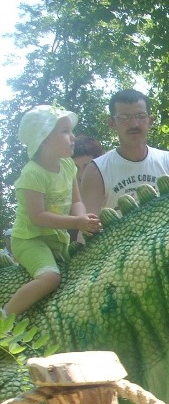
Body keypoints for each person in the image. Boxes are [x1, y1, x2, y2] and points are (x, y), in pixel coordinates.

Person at [4, 105, 101, 318]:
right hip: (30, 239)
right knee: (50, 278)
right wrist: (76, 223)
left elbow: (76, 201)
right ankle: (4, 319)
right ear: (44, 138)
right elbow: (37, 217)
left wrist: (83, 218)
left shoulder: (68, 166)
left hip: (57, 239)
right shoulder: (32, 174)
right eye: (65, 131)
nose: (73, 136)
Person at [80, 89, 169, 214]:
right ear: (112, 123)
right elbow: (87, 229)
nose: (134, 124)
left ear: (150, 121)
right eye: (124, 117)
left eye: (140, 116)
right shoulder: (96, 170)